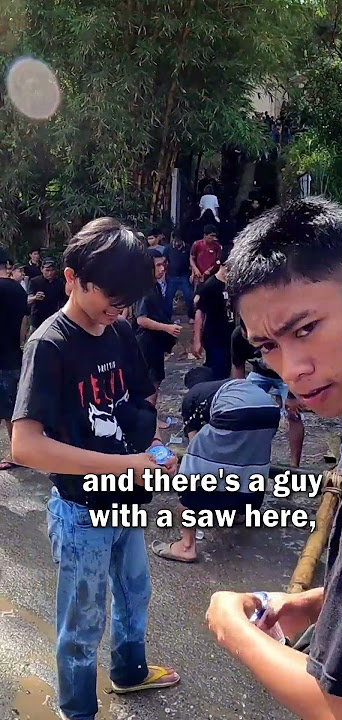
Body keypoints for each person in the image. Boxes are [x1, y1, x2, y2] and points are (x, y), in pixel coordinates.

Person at [206, 196, 342, 720]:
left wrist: (232, 630)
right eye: (267, 346)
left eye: (305, 329)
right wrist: (314, 603)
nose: (292, 368)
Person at [11, 218, 180, 720]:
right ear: (72, 278)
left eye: (127, 299)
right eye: (110, 295)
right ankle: (77, 709)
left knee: (134, 594)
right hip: (81, 512)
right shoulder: (50, 345)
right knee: (83, 622)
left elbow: (142, 399)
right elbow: (25, 446)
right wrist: (121, 463)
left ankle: (128, 673)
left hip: (128, 503)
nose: (119, 308)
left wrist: (155, 446)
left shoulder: (120, 331)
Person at [152, 379, 280, 562]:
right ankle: (238, 512)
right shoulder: (223, 389)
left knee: (195, 467)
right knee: (250, 458)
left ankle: (187, 547)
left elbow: (194, 442)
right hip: (270, 409)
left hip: (234, 410)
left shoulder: (191, 398)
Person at [231, 323, 306, 467]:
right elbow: (237, 366)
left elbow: (294, 362)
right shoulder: (238, 338)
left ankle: (294, 464)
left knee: (293, 413)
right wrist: (237, 394)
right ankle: (242, 455)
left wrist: (291, 396)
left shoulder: (275, 333)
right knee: (239, 409)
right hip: (260, 373)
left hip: (286, 373)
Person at [135, 249, 182, 423]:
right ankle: (150, 420)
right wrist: (166, 328)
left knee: (156, 380)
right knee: (151, 383)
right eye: (158, 265)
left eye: (164, 264)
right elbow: (141, 319)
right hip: (146, 342)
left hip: (155, 341)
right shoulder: (144, 289)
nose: (162, 269)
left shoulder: (155, 286)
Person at [0, 248, 28, 470]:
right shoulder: (18, 290)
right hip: (13, 355)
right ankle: (18, 454)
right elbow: (22, 326)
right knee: (13, 410)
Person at [193, 249, 235, 380]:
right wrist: (197, 340)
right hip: (214, 336)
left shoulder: (233, 284)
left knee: (230, 368)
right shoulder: (210, 287)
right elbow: (200, 313)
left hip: (230, 333)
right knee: (217, 370)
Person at [163, 232, 194, 323]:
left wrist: (192, 273)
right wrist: (163, 274)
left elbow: (191, 261)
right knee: (168, 298)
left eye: (178, 241)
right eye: (175, 241)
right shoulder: (168, 248)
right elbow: (164, 261)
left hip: (184, 276)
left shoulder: (188, 248)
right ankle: (167, 318)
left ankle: (191, 316)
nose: (177, 243)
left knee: (188, 297)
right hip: (171, 276)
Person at [28, 257, 66, 330]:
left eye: (52, 270)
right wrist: (35, 297)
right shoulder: (35, 281)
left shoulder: (60, 283)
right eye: (47, 270)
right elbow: (28, 299)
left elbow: (64, 300)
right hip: (37, 318)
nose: (50, 273)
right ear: (42, 270)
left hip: (53, 317)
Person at [190, 224, 222, 289]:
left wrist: (209, 270)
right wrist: (195, 270)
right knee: (197, 295)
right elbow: (192, 258)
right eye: (211, 236)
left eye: (215, 236)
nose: (213, 238)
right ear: (205, 235)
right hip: (198, 275)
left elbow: (218, 261)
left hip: (212, 276)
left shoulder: (217, 246)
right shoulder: (197, 244)